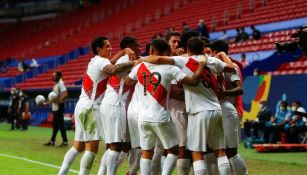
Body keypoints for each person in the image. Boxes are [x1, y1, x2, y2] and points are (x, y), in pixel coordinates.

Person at [143, 37, 235, 175]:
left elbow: (157, 59)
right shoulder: (212, 60)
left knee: (197, 153)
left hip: (199, 112)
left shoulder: (184, 60)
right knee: (220, 151)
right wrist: (222, 54)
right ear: (203, 48)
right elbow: (231, 67)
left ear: (187, 49)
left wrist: (140, 59)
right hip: (216, 109)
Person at [125, 38, 206, 175]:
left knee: (146, 152)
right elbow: (193, 81)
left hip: (143, 117)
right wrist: (202, 65)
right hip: (161, 116)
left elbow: (127, 81)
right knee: (174, 151)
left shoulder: (140, 67)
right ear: (167, 52)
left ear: (151, 51)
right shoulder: (171, 68)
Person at [58, 36, 137, 175]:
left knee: (78, 146)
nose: (110, 48)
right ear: (98, 49)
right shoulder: (101, 62)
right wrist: (134, 62)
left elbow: (111, 61)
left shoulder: (95, 61)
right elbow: (113, 69)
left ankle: (62, 173)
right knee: (91, 150)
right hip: (91, 108)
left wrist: (124, 51)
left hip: (82, 106)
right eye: (107, 46)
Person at [98, 36, 141, 175]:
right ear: (129, 46)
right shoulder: (126, 60)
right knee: (115, 146)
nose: (139, 48)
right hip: (115, 104)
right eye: (137, 45)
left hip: (115, 104)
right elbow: (124, 78)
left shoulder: (127, 59)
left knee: (121, 145)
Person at [210, 40, 248, 175]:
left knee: (231, 151)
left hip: (231, 110)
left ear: (216, 52)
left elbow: (239, 89)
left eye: (211, 52)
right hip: (221, 110)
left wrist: (224, 93)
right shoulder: (221, 65)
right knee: (220, 151)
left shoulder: (231, 67)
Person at [44, 71, 69, 147]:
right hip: (55, 107)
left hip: (59, 107)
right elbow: (53, 99)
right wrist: (46, 103)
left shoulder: (61, 84)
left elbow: (65, 94)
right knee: (55, 125)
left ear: (59, 76)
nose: (53, 77)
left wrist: (58, 101)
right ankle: (52, 141)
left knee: (61, 125)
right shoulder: (56, 85)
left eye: (55, 75)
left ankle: (65, 142)